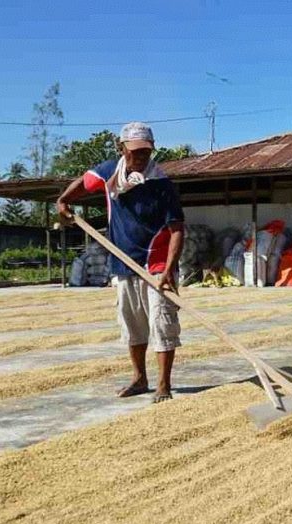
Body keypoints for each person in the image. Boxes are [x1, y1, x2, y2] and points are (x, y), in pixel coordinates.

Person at [56, 122, 184, 402]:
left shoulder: (161, 184)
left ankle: (164, 385)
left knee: (162, 323)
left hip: (156, 265)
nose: (140, 158)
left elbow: (177, 229)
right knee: (132, 324)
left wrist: (170, 268)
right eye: (134, 152)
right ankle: (139, 379)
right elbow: (84, 183)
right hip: (123, 263)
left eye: (145, 153)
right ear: (122, 148)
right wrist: (64, 200)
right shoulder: (109, 173)